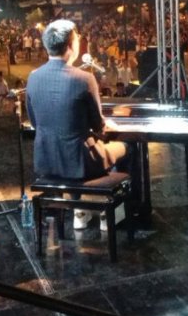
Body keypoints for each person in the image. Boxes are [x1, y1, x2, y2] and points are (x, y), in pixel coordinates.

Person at [26, 19, 130, 231]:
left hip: (47, 159)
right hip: (81, 161)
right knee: (127, 147)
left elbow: (36, 123)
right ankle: (112, 212)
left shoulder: (33, 77)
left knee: (70, 147)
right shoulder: (84, 78)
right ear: (71, 46)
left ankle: (79, 212)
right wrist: (105, 124)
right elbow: (98, 125)